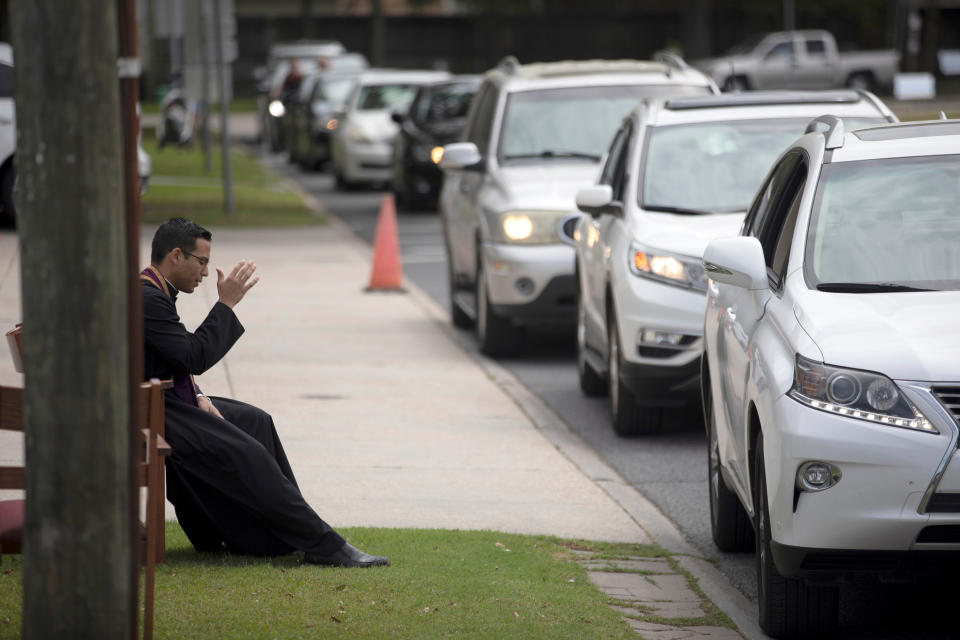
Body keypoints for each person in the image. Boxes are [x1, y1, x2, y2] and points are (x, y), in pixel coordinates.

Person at [141, 217, 388, 568]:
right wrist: (225, 305)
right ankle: (324, 544)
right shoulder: (148, 296)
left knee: (256, 422)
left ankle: (285, 538)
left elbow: (172, 357)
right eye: (202, 262)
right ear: (176, 256)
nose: (207, 272)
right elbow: (192, 356)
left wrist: (200, 396)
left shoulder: (155, 291)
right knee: (245, 450)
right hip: (147, 408)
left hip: (162, 400)